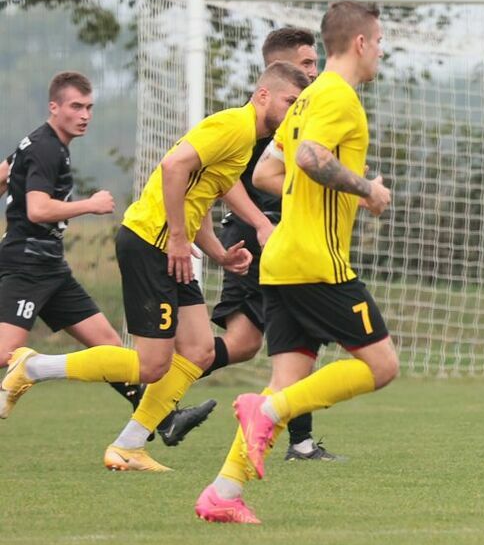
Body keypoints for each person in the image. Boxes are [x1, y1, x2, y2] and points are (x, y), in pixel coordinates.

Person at [2, 62, 308, 471]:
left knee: (199, 351)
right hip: (150, 243)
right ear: (264, 95)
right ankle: (34, 367)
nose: (293, 112)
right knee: (151, 364)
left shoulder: (247, 138)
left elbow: (202, 193)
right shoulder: (235, 125)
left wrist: (218, 252)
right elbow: (173, 167)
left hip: (170, 248)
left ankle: (129, 446)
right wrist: (179, 238)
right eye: (290, 102)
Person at [195, 0, 396, 525]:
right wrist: (366, 190)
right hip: (314, 260)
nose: (381, 51)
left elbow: (267, 172)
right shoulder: (337, 96)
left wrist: (332, 193)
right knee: (381, 367)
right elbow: (309, 158)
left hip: (280, 259)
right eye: (379, 42)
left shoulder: (305, 99)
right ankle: (267, 413)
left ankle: (223, 492)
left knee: (286, 381)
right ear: (360, 43)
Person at [195, 27, 342, 461]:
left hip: (278, 235)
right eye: (306, 63)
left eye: (315, 63)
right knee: (299, 333)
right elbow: (226, 181)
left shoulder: (301, 116)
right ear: (278, 69)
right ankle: (296, 438)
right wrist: (262, 222)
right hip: (258, 236)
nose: (314, 71)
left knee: (246, 342)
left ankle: (156, 387)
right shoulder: (263, 121)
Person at [0, 73, 144, 416]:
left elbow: (4, 174)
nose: (85, 115)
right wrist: (90, 205)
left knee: (108, 344)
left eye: (89, 108)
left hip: (51, 266)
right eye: (76, 107)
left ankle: (162, 418)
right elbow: (37, 210)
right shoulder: (47, 148)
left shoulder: (38, 141)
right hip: (27, 264)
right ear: (54, 107)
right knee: (6, 353)